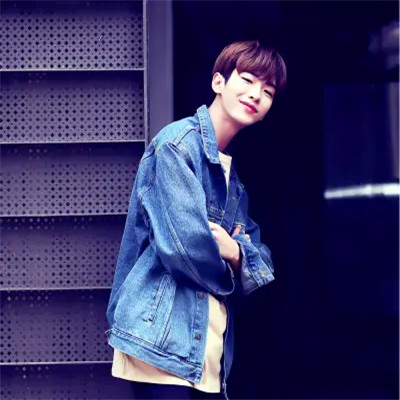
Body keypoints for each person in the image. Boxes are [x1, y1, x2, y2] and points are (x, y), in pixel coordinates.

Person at [105, 40, 287, 400]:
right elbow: (186, 250)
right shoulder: (176, 146)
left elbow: (263, 263)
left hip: (206, 350)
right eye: (247, 80)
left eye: (267, 91)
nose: (256, 94)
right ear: (218, 81)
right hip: (160, 341)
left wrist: (234, 251)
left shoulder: (234, 185)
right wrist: (237, 270)